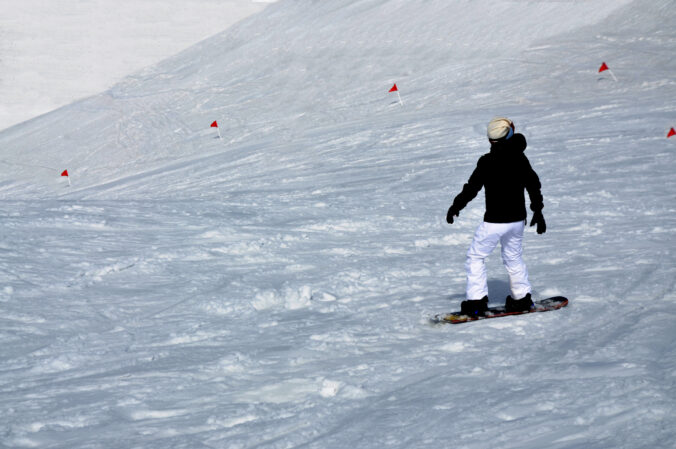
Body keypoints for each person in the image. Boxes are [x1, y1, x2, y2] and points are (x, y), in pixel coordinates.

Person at [446, 117, 546, 316]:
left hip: (495, 221)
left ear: (491, 140)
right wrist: (538, 211)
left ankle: (476, 302)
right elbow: (533, 184)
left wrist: (456, 206)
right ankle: (522, 299)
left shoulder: (487, 162)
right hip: (517, 221)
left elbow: (472, 188)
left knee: (475, 257)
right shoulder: (520, 158)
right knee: (513, 258)